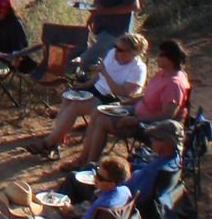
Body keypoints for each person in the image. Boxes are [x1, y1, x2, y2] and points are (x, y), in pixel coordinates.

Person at [72, 38, 189, 170]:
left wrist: (135, 120)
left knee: (102, 121)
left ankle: (89, 165)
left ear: (170, 59)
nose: (157, 58)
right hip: (137, 111)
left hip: (148, 126)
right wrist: (123, 103)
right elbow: (147, 95)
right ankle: (84, 159)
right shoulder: (163, 73)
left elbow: (166, 115)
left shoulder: (174, 83)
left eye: (161, 55)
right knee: (98, 111)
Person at [27, 30, 147, 158]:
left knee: (75, 107)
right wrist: (86, 85)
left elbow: (126, 94)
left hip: (115, 101)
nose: (116, 51)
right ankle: (57, 140)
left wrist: (106, 74)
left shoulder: (138, 69)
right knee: (68, 97)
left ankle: (48, 143)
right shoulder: (112, 53)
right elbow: (98, 75)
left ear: (132, 53)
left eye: (120, 50)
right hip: (97, 90)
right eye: (116, 47)